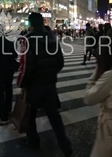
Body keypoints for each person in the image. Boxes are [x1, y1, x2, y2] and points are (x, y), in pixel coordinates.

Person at [18, 13, 72, 157]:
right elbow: (60, 61)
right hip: (49, 84)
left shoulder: (27, 40)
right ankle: (66, 147)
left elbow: (25, 66)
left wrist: (22, 83)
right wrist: (51, 74)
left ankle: (33, 141)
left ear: (31, 24)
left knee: (30, 115)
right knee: (54, 117)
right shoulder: (52, 37)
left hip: (34, 85)